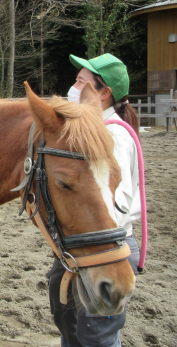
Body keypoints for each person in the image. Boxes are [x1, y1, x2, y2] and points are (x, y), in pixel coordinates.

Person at [48, 53, 142, 347]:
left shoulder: (113, 135)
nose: (73, 88)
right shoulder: (95, 131)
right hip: (83, 248)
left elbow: (116, 206)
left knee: (97, 339)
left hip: (104, 249)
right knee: (72, 331)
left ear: (102, 94)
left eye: (80, 82)